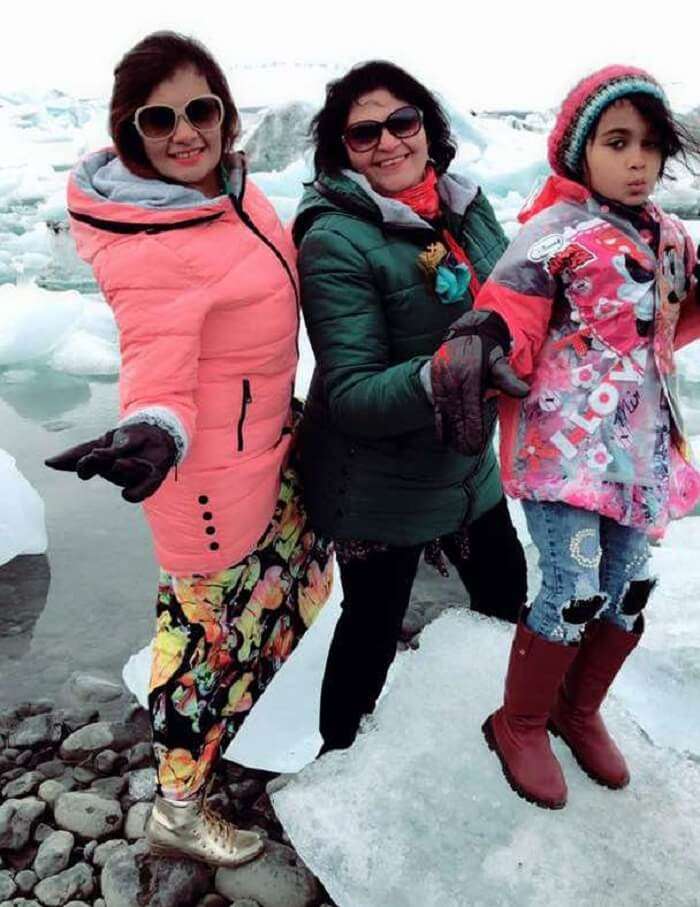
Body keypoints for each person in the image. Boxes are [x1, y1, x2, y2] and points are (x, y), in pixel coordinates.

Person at [45, 31, 333, 865]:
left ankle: (235, 733)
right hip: (199, 475)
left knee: (292, 589)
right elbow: (157, 355)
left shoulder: (233, 195)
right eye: (157, 119)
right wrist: (154, 430)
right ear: (130, 132)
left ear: (225, 114)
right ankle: (176, 805)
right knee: (199, 643)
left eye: (198, 110)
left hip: (264, 452)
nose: (183, 133)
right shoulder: (154, 243)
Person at [474, 65, 700, 809]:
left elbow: (672, 323)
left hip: (640, 448)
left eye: (650, 144)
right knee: (572, 589)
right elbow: (506, 312)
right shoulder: (552, 235)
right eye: (617, 142)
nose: (637, 161)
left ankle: (577, 708)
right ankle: (522, 720)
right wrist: (481, 346)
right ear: (581, 150)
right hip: (563, 450)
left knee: (630, 586)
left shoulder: (670, 236)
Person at [292, 61, 529, 754]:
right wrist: (443, 373)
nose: (389, 142)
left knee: (505, 594)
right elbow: (353, 391)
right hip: (375, 481)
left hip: (464, 460)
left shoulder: (463, 207)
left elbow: (515, 299)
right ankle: (338, 768)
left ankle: (496, 733)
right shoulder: (334, 238)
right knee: (372, 623)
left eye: (402, 122)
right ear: (342, 151)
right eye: (364, 133)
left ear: (428, 127)